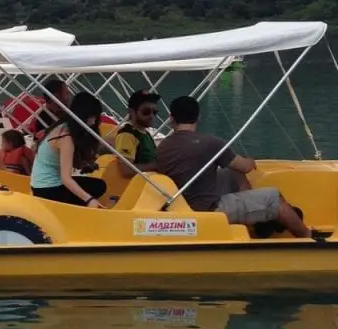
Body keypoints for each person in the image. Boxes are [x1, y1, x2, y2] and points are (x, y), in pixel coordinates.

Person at [155, 95, 320, 239]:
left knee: (229, 172)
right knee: (274, 196)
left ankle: (258, 222)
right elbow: (245, 167)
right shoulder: (210, 143)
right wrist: (250, 161)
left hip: (182, 203)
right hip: (208, 209)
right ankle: (308, 236)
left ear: (171, 118)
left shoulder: (163, 146)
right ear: (198, 117)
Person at [30, 91, 108, 207]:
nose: (94, 121)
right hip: (47, 190)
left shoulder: (61, 126)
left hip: (39, 185)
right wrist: (89, 199)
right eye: (93, 116)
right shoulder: (66, 138)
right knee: (98, 187)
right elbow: (66, 179)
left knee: (96, 185)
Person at [113, 89, 160, 177]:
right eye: (146, 112)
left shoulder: (145, 133)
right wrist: (155, 166)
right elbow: (126, 170)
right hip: (137, 186)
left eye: (155, 112)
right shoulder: (127, 135)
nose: (152, 116)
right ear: (131, 112)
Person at [30, 76, 71, 141]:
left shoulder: (64, 113)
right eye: (66, 94)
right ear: (55, 96)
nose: (69, 97)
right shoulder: (44, 119)